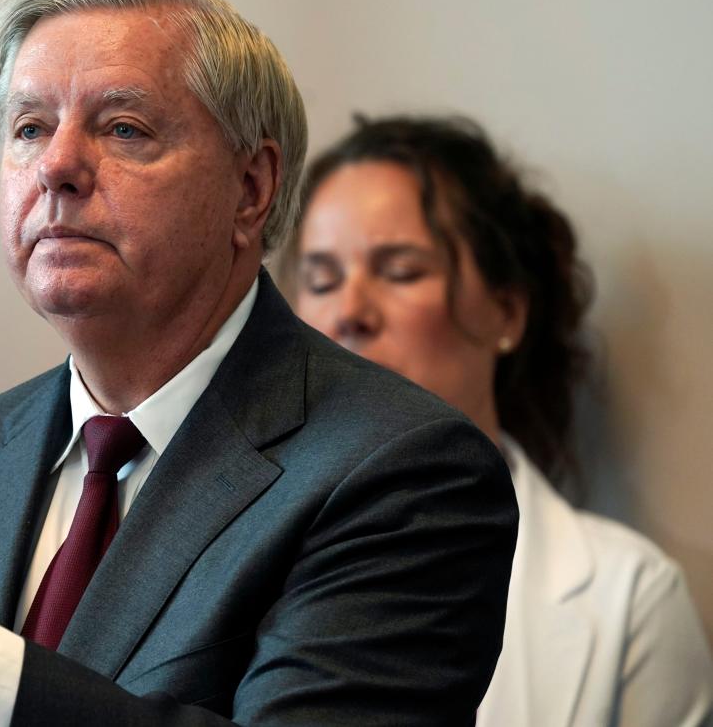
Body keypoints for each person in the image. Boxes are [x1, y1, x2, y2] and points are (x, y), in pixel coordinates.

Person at [0, 0, 519, 726]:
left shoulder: (404, 471)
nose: (57, 167)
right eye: (29, 128)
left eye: (123, 128)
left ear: (251, 189)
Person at [287, 114, 713, 726]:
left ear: (506, 312)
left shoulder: (632, 599)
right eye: (321, 279)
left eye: (401, 271)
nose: (348, 312)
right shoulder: (217, 545)